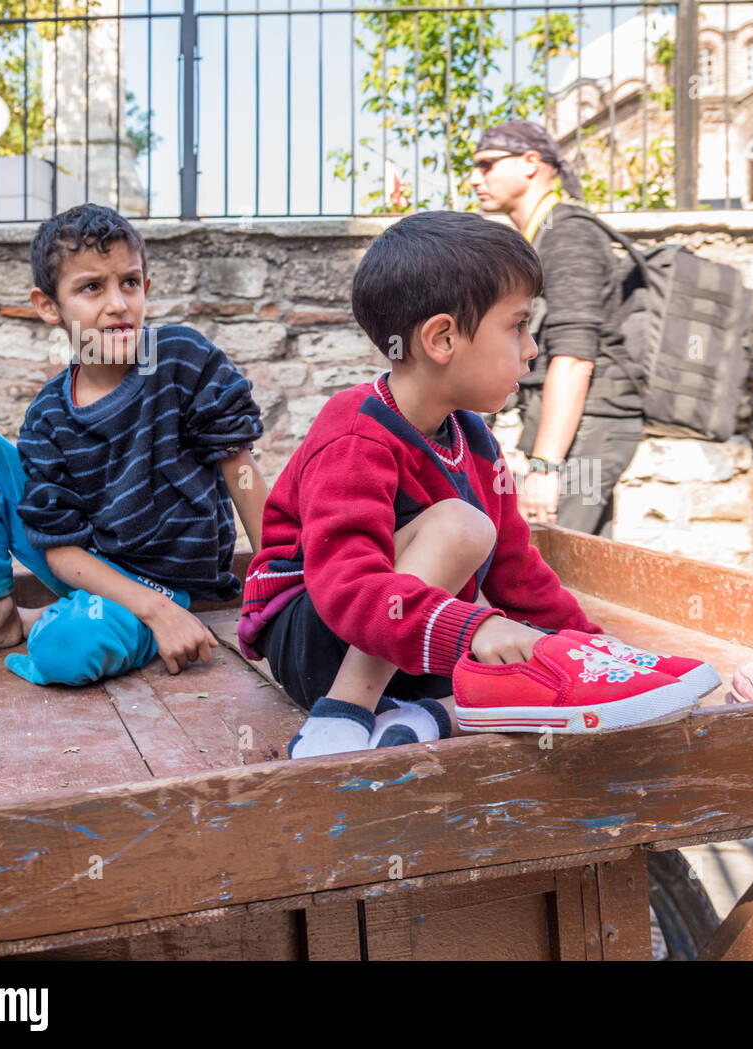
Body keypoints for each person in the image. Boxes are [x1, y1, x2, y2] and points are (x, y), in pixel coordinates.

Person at [237, 209, 625, 757]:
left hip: (410, 641)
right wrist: (475, 631)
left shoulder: (475, 438)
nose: (532, 348)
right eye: (517, 325)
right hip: (320, 639)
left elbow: (518, 573)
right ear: (442, 338)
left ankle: (423, 719)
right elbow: (347, 585)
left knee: (542, 665)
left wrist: (592, 651)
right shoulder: (355, 432)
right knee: (463, 527)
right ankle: (343, 713)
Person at [0, 203, 268, 686]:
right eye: (90, 288)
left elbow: (241, 473)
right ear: (48, 306)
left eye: (129, 282)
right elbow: (58, 548)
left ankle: (48, 620)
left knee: (66, 651)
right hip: (86, 567)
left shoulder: (183, 360)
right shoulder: (47, 416)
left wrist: (279, 582)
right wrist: (154, 615)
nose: (118, 304)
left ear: (145, 288)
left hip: (167, 581)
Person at [470, 119, 643, 536]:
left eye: (487, 164)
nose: (474, 178)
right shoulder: (539, 236)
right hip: (570, 425)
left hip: (591, 425)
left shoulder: (569, 235)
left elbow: (575, 357)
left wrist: (546, 466)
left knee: (556, 562)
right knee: (580, 567)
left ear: (531, 163)